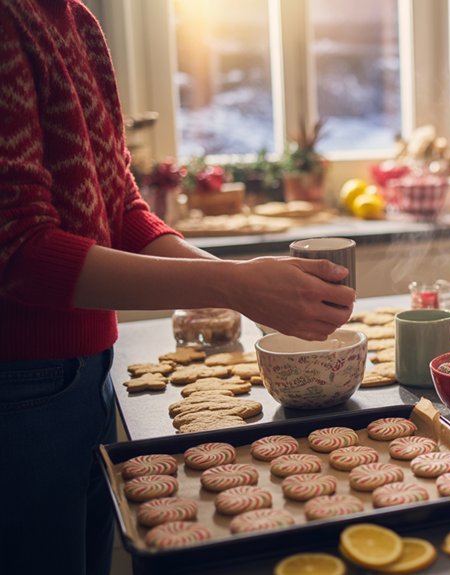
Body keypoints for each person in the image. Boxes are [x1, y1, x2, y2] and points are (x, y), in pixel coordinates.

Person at [0, 1, 355, 572]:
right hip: (18, 385)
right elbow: (19, 251)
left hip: (90, 372)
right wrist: (234, 285)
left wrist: (244, 287)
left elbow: (121, 210)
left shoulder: (78, 21)